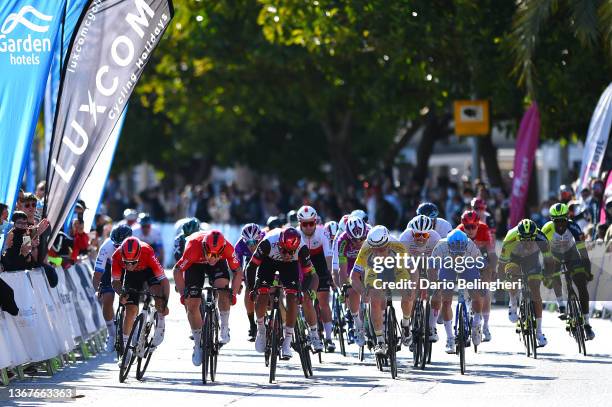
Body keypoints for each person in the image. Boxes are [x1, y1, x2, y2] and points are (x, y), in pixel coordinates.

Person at [173, 230, 243, 365]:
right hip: (195, 264)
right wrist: (183, 295)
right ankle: (198, 344)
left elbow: (238, 271)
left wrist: (232, 294)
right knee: (192, 304)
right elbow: (177, 270)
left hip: (218, 266)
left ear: (222, 250)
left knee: (223, 289)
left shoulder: (228, 248)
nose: (212, 258)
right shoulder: (193, 247)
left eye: (217, 254)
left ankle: (224, 327)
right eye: (210, 254)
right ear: (205, 248)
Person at [247, 227, 317, 359]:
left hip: (290, 266)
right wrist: (252, 288)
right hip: (269, 262)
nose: (287, 255)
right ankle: (261, 331)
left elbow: (308, 275)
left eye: (291, 252)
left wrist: (301, 292)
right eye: (284, 250)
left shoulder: (302, 249)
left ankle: (287, 341)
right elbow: (251, 267)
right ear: (279, 243)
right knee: (262, 294)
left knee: (293, 299)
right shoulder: (268, 243)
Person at [351, 225, 415, 355]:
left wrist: (412, 287)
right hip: (375, 270)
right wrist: (363, 291)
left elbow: (413, 270)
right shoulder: (366, 249)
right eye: (375, 249)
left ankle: (406, 324)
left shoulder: (398, 246)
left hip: (397, 269)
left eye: (382, 249)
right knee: (374, 299)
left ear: (388, 244)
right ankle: (380, 340)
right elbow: (354, 276)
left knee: (407, 294)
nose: (379, 252)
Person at [541, 203, 595, 340]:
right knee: (553, 273)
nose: (560, 224)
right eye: (557, 221)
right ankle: (561, 305)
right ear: (552, 220)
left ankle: (587, 324)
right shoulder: (546, 229)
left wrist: (587, 269)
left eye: (563, 220)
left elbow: (582, 250)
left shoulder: (574, 227)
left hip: (571, 254)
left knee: (581, 285)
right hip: (554, 255)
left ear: (567, 218)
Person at [111, 237, 170, 360]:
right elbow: (115, 282)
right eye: (126, 262)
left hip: (149, 271)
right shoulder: (116, 256)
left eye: (133, 262)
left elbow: (164, 280)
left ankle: (160, 325)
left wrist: (165, 303)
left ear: (139, 254)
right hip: (131, 277)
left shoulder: (147, 252)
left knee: (158, 294)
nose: (129, 265)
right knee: (130, 310)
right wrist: (121, 294)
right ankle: (126, 348)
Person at [498, 219, 554, 347]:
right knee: (513, 275)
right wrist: (503, 281)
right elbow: (501, 265)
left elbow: (549, 260)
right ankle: (513, 302)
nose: (528, 242)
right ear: (519, 236)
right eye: (524, 239)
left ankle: (539, 332)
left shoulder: (541, 238)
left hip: (532, 260)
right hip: (514, 259)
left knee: (535, 292)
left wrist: (549, 275)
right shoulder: (511, 238)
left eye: (531, 239)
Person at [431, 229, 485, 353]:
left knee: (475, 292)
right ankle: (450, 338)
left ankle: (476, 322)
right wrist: (436, 285)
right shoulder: (440, 246)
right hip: (447, 266)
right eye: (455, 253)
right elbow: (432, 269)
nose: (457, 256)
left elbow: (482, 267)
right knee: (445, 301)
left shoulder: (471, 246)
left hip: (468, 265)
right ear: (448, 246)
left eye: (460, 253)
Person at [297, 205, 335, 351]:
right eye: (304, 224)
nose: (308, 227)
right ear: (299, 224)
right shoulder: (295, 234)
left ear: (315, 221)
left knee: (323, 301)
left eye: (311, 223)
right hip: (302, 262)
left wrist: (329, 273)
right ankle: (310, 330)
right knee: (305, 298)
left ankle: (329, 338)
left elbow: (328, 256)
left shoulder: (322, 232)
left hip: (319, 262)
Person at [399, 215, 441, 344]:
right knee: (411, 292)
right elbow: (402, 262)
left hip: (428, 263)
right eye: (417, 235)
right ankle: (406, 324)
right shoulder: (405, 237)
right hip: (410, 262)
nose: (421, 239)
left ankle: (431, 326)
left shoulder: (436, 238)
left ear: (430, 233)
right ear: (412, 233)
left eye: (424, 235)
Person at [457, 210, 497, 342]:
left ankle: (484, 325)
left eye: (473, 226)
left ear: (478, 225)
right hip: (464, 260)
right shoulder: (458, 231)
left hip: (481, 259)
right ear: (462, 225)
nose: (470, 230)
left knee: (484, 292)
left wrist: (493, 269)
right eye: (467, 227)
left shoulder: (484, 229)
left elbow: (491, 253)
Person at [93, 225, 133, 351]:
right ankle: (111, 333)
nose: (117, 249)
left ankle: (131, 328)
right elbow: (97, 273)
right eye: (115, 245)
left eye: (120, 246)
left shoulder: (136, 246)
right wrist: (97, 289)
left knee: (130, 301)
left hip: (127, 268)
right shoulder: (106, 247)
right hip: (109, 268)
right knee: (107, 299)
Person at [336, 216, 368, 346]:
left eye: (361, 238)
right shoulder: (342, 241)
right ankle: (358, 324)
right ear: (348, 236)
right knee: (351, 291)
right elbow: (342, 269)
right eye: (355, 240)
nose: (359, 242)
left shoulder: (370, 235)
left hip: (367, 262)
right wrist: (345, 287)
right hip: (350, 265)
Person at [234, 223, 265, 341]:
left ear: (260, 238)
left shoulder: (265, 239)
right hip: (250, 262)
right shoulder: (239, 246)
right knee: (249, 289)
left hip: (264, 259)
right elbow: (237, 267)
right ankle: (252, 324)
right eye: (248, 243)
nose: (251, 246)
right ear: (244, 241)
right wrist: (240, 281)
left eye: (254, 242)